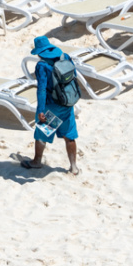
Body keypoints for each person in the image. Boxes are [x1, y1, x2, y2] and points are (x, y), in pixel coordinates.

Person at [20, 36, 79, 175]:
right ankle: (74, 167)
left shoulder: (42, 65)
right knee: (69, 137)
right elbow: (74, 75)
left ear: (39, 52)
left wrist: (40, 110)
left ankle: (36, 162)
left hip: (51, 108)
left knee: (41, 135)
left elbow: (41, 89)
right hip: (67, 104)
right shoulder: (65, 57)